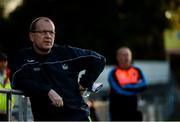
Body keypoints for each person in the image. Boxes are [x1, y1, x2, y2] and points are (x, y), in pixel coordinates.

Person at [10, 17, 106, 121]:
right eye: (43, 32)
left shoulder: (66, 53)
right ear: (31, 36)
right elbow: (16, 81)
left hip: (79, 116)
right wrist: (47, 91)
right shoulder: (24, 57)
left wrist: (84, 84)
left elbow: (99, 60)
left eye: (51, 32)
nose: (48, 36)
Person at [108, 47, 147, 121]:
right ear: (118, 57)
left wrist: (126, 86)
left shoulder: (137, 70)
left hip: (134, 111)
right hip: (117, 112)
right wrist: (136, 87)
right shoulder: (113, 73)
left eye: (128, 55)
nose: (126, 57)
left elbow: (144, 85)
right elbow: (119, 90)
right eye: (124, 55)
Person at [0, 52, 15, 121]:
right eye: (1, 61)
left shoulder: (10, 74)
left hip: (7, 111)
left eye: (5, 61)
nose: (3, 64)